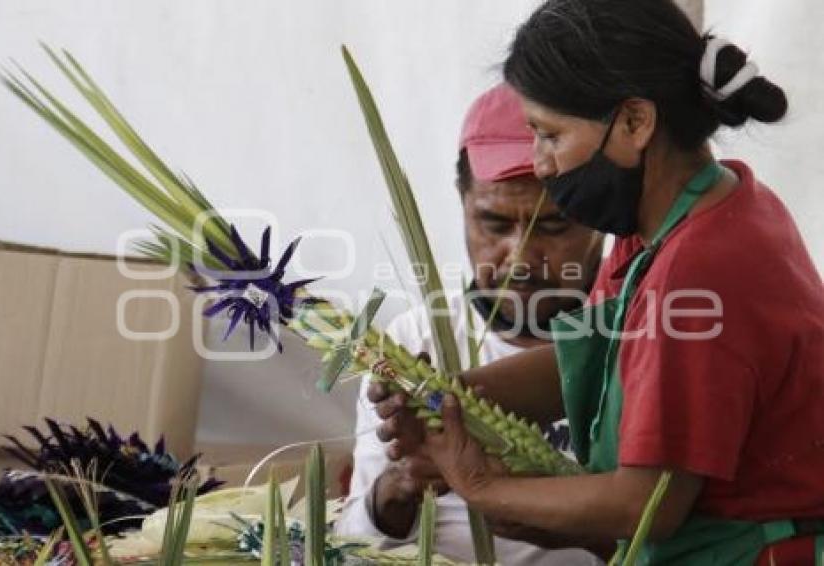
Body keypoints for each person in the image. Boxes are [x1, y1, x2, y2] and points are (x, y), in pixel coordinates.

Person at [370, 1, 824, 564]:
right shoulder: (686, 213)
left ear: (635, 123)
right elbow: (597, 352)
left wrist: (481, 486)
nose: (539, 164)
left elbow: (647, 505)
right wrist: (451, 398)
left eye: (550, 135)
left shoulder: (705, 267)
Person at [334, 83, 604, 565]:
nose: (520, 258)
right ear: (462, 204)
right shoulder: (411, 347)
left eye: (553, 226)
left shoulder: (640, 342)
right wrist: (398, 488)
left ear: (603, 217)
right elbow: (352, 545)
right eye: (495, 225)